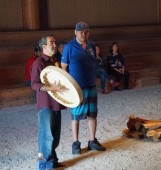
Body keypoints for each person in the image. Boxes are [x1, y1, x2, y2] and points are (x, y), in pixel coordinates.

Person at [61, 21, 106, 155]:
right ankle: (75, 143)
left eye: (86, 32)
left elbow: (94, 63)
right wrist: (68, 86)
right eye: (81, 32)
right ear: (75, 32)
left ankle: (92, 141)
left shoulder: (92, 45)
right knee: (76, 116)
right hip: (77, 87)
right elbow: (64, 68)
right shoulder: (69, 47)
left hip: (91, 85)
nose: (83, 34)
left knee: (92, 114)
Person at [31, 34, 66, 169]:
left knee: (55, 135)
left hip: (56, 103)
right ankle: (44, 164)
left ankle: (52, 160)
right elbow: (34, 84)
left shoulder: (55, 61)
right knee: (46, 135)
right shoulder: (38, 63)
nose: (55, 45)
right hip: (46, 105)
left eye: (55, 42)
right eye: (51, 42)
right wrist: (52, 88)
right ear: (44, 46)